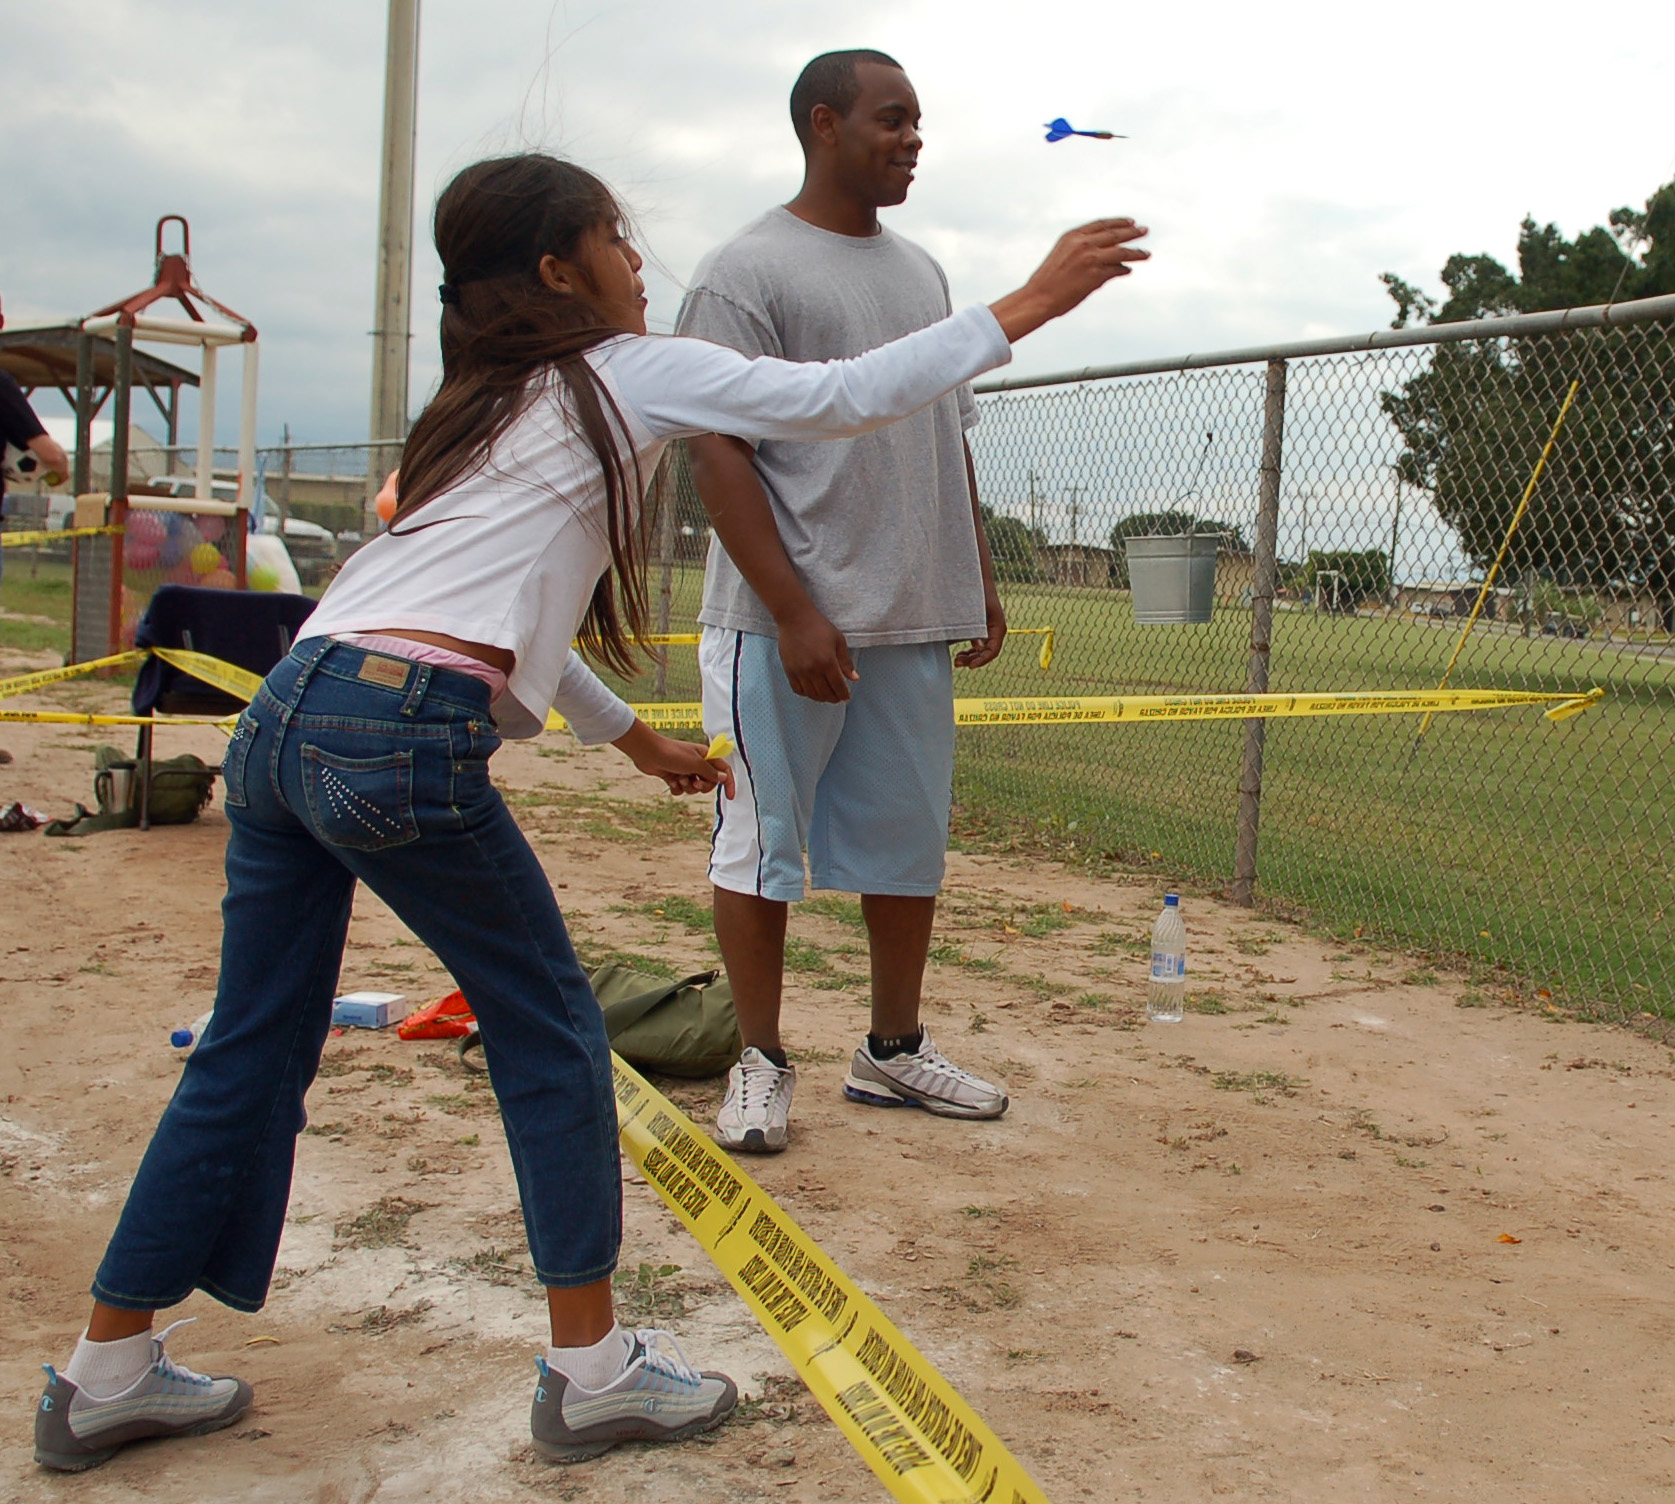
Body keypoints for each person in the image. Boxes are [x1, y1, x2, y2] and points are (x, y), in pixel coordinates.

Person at [32, 151, 1146, 1473]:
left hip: (288, 720)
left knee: (248, 1047)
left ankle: (104, 1374)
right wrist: (1027, 303)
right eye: (619, 240)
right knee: (555, 1037)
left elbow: (500, 624)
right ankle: (595, 1371)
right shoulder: (623, 370)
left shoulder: (470, 410)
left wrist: (637, 745)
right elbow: (838, 400)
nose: (639, 265)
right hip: (395, 730)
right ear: (562, 271)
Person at [677, 49, 1023, 1152]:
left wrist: (974, 574)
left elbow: (945, 433)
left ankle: (891, 1051)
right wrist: (791, 610)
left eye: (919, 121)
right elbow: (716, 450)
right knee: (760, 848)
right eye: (891, 119)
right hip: (783, 627)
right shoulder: (745, 272)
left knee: (905, 848)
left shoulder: (922, 275)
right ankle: (760, 1058)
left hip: (910, 618)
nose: (913, 138)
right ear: (822, 125)